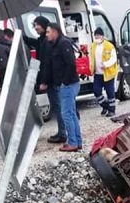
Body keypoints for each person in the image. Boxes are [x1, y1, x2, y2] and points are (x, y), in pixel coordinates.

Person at [26, 17, 66, 144]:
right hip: (53, 79)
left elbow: (46, 63)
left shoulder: (46, 42)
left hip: (53, 80)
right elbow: (36, 44)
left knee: (58, 107)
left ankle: (63, 133)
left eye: (36, 25)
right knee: (58, 107)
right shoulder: (43, 40)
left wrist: (44, 81)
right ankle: (62, 132)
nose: (35, 27)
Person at [42, 23, 81, 152]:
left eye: (48, 32)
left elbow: (71, 64)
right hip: (67, 84)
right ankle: (77, 141)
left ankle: (73, 143)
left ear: (55, 32)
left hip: (68, 85)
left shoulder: (63, 44)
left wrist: (64, 82)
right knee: (71, 113)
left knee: (66, 114)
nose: (46, 35)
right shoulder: (56, 44)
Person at [90, 27, 118, 117]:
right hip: (97, 74)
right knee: (96, 91)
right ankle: (105, 106)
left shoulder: (109, 46)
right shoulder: (93, 45)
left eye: (98, 35)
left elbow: (114, 59)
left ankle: (112, 110)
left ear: (102, 36)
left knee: (110, 92)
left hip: (108, 73)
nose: (97, 37)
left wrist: (105, 64)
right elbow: (91, 58)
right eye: (95, 35)